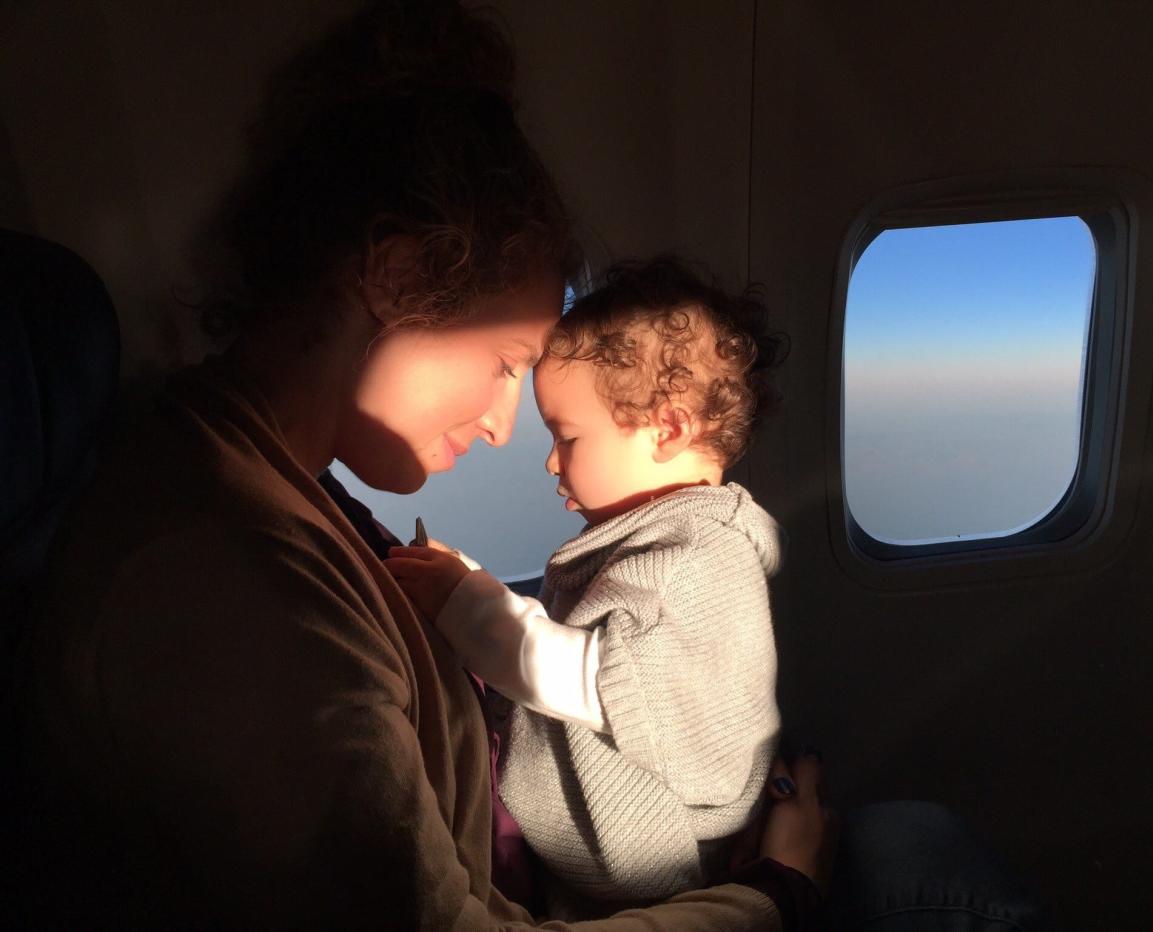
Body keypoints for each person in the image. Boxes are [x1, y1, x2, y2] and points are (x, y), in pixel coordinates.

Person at [16, 2, 829, 928]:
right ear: (399, 277)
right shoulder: (221, 585)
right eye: (503, 365)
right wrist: (778, 896)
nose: (500, 427)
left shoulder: (270, 476)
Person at [385, 257, 790, 919]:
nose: (551, 460)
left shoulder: (699, 561)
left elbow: (588, 678)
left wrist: (465, 601)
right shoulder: (655, 537)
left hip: (657, 871)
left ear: (668, 429)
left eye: (565, 436)